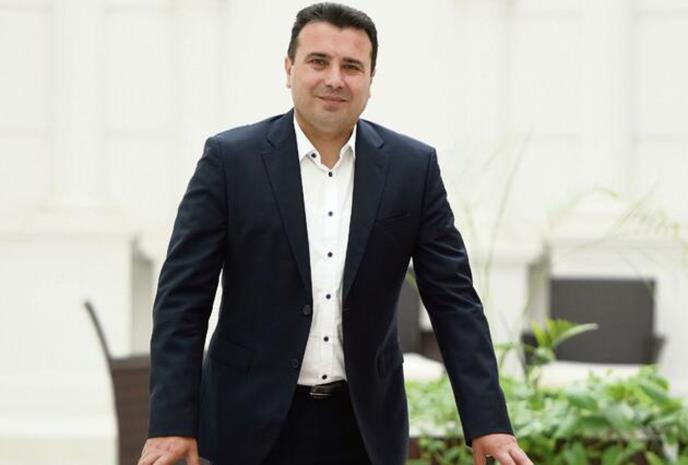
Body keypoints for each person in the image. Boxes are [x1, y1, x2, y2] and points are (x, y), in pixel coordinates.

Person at [138, 3, 534, 465]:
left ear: (370, 79)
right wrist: (171, 423)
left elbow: (454, 301)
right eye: (318, 61)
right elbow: (183, 299)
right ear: (289, 69)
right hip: (244, 424)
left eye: (351, 66)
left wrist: (488, 422)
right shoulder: (230, 161)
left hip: (364, 429)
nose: (334, 79)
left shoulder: (412, 169)